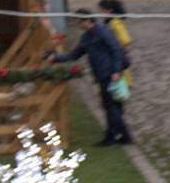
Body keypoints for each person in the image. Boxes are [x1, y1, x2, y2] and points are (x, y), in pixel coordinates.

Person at [47, 9, 132, 145]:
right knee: (112, 107)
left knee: (111, 107)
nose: (77, 24)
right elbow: (75, 54)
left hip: (109, 74)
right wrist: (55, 58)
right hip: (102, 74)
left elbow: (115, 50)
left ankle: (115, 137)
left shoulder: (102, 32)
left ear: (87, 20)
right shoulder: (87, 36)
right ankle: (122, 136)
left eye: (79, 21)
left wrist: (116, 71)